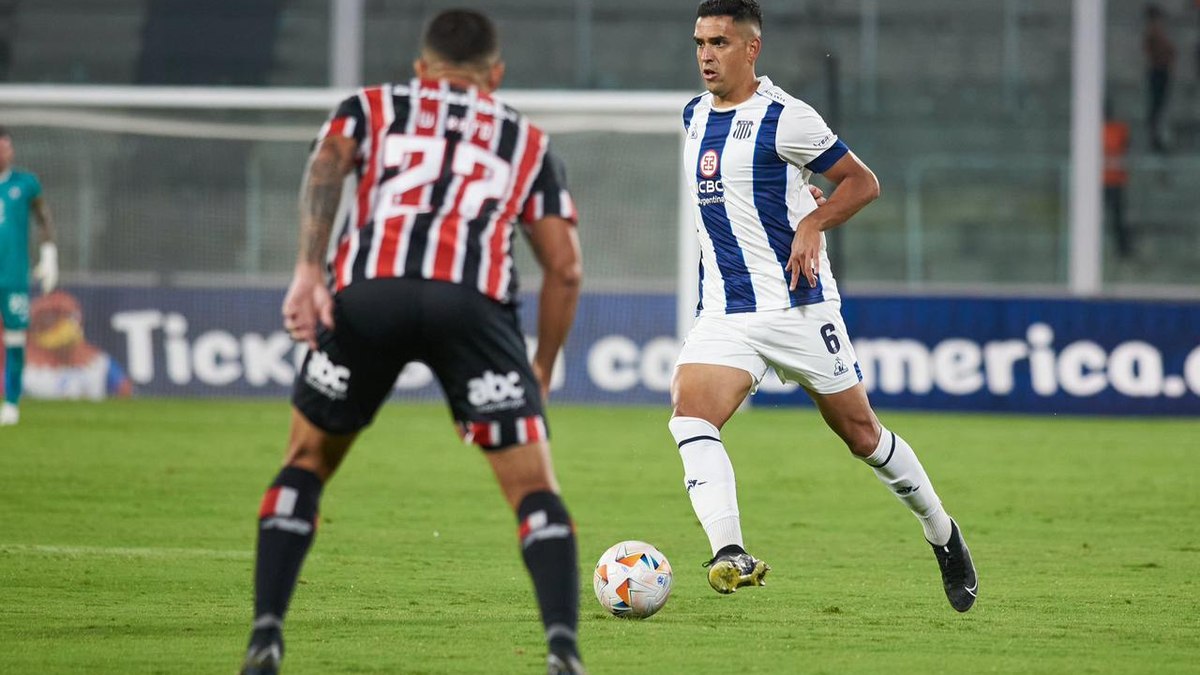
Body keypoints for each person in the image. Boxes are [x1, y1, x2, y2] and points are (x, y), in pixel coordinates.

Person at [239, 10, 585, 675]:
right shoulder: (528, 140)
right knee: (533, 487)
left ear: (421, 69)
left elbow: (328, 161)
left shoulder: (369, 106)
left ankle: (266, 635)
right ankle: (563, 651)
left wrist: (309, 270)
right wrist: (539, 366)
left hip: (369, 291)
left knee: (306, 461)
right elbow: (565, 266)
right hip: (472, 303)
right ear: (496, 76)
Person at [670, 0, 977, 612]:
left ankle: (942, 532)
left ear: (751, 49)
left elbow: (863, 183)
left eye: (720, 43)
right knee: (690, 417)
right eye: (700, 42)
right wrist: (798, 203)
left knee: (862, 435)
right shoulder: (692, 115)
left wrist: (813, 221)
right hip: (725, 312)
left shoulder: (787, 117)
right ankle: (729, 552)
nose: (707, 55)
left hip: (798, 306)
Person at [0, 126, 58, 426]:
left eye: (6, 146)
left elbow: (43, 217)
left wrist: (49, 256)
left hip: (12, 277)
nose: (4, 151)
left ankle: (11, 403)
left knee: (15, 339)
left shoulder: (25, 184)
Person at [23, 290, 133, 400]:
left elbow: (124, 388)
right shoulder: (24, 366)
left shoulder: (98, 362)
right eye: (47, 319)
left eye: (61, 317)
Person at [1143, 3, 1176, 152]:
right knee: (1157, 106)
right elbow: (1155, 52)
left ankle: (1158, 136)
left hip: (1161, 71)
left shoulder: (1158, 33)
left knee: (1160, 105)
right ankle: (1155, 137)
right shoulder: (1153, 33)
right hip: (1157, 71)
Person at [1103, 100, 1134, 259]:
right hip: (1097, 182)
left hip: (1115, 181)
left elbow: (1127, 148)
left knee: (1118, 216)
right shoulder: (1090, 129)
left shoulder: (1119, 129)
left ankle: (1123, 249)